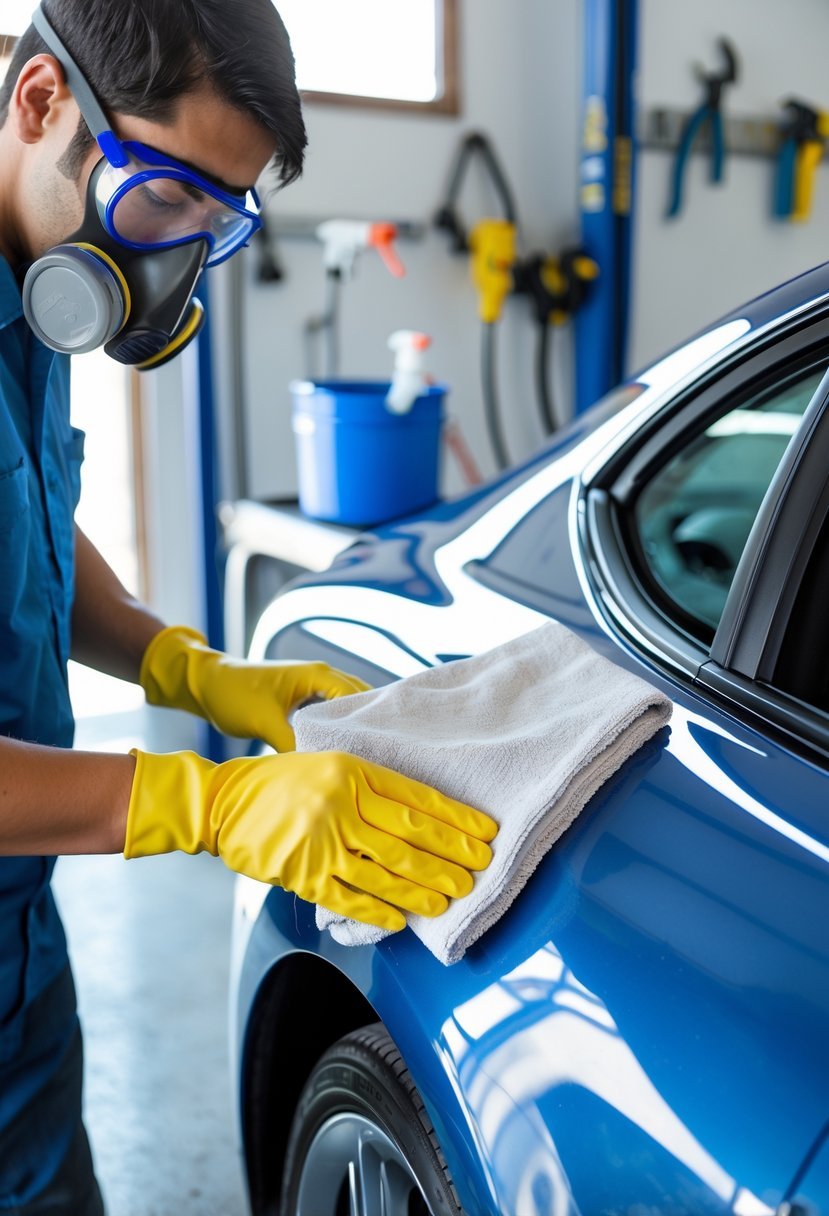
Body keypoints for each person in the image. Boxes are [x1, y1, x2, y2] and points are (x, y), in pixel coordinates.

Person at [0, 2, 497, 1210]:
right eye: (165, 199)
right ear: (39, 104)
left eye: (212, 225)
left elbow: (27, 527)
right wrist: (201, 799)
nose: (169, 257)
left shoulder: (36, 272)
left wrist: (184, 666)